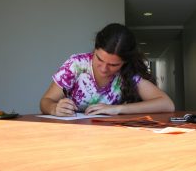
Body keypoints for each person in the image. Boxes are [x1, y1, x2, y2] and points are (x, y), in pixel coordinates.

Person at [40, 23, 175, 116]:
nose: (104, 69)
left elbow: (167, 104)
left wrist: (118, 109)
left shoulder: (127, 74)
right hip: (72, 134)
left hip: (110, 135)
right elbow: (46, 101)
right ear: (95, 49)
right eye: (99, 59)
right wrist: (54, 108)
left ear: (124, 62)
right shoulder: (76, 65)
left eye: (113, 65)